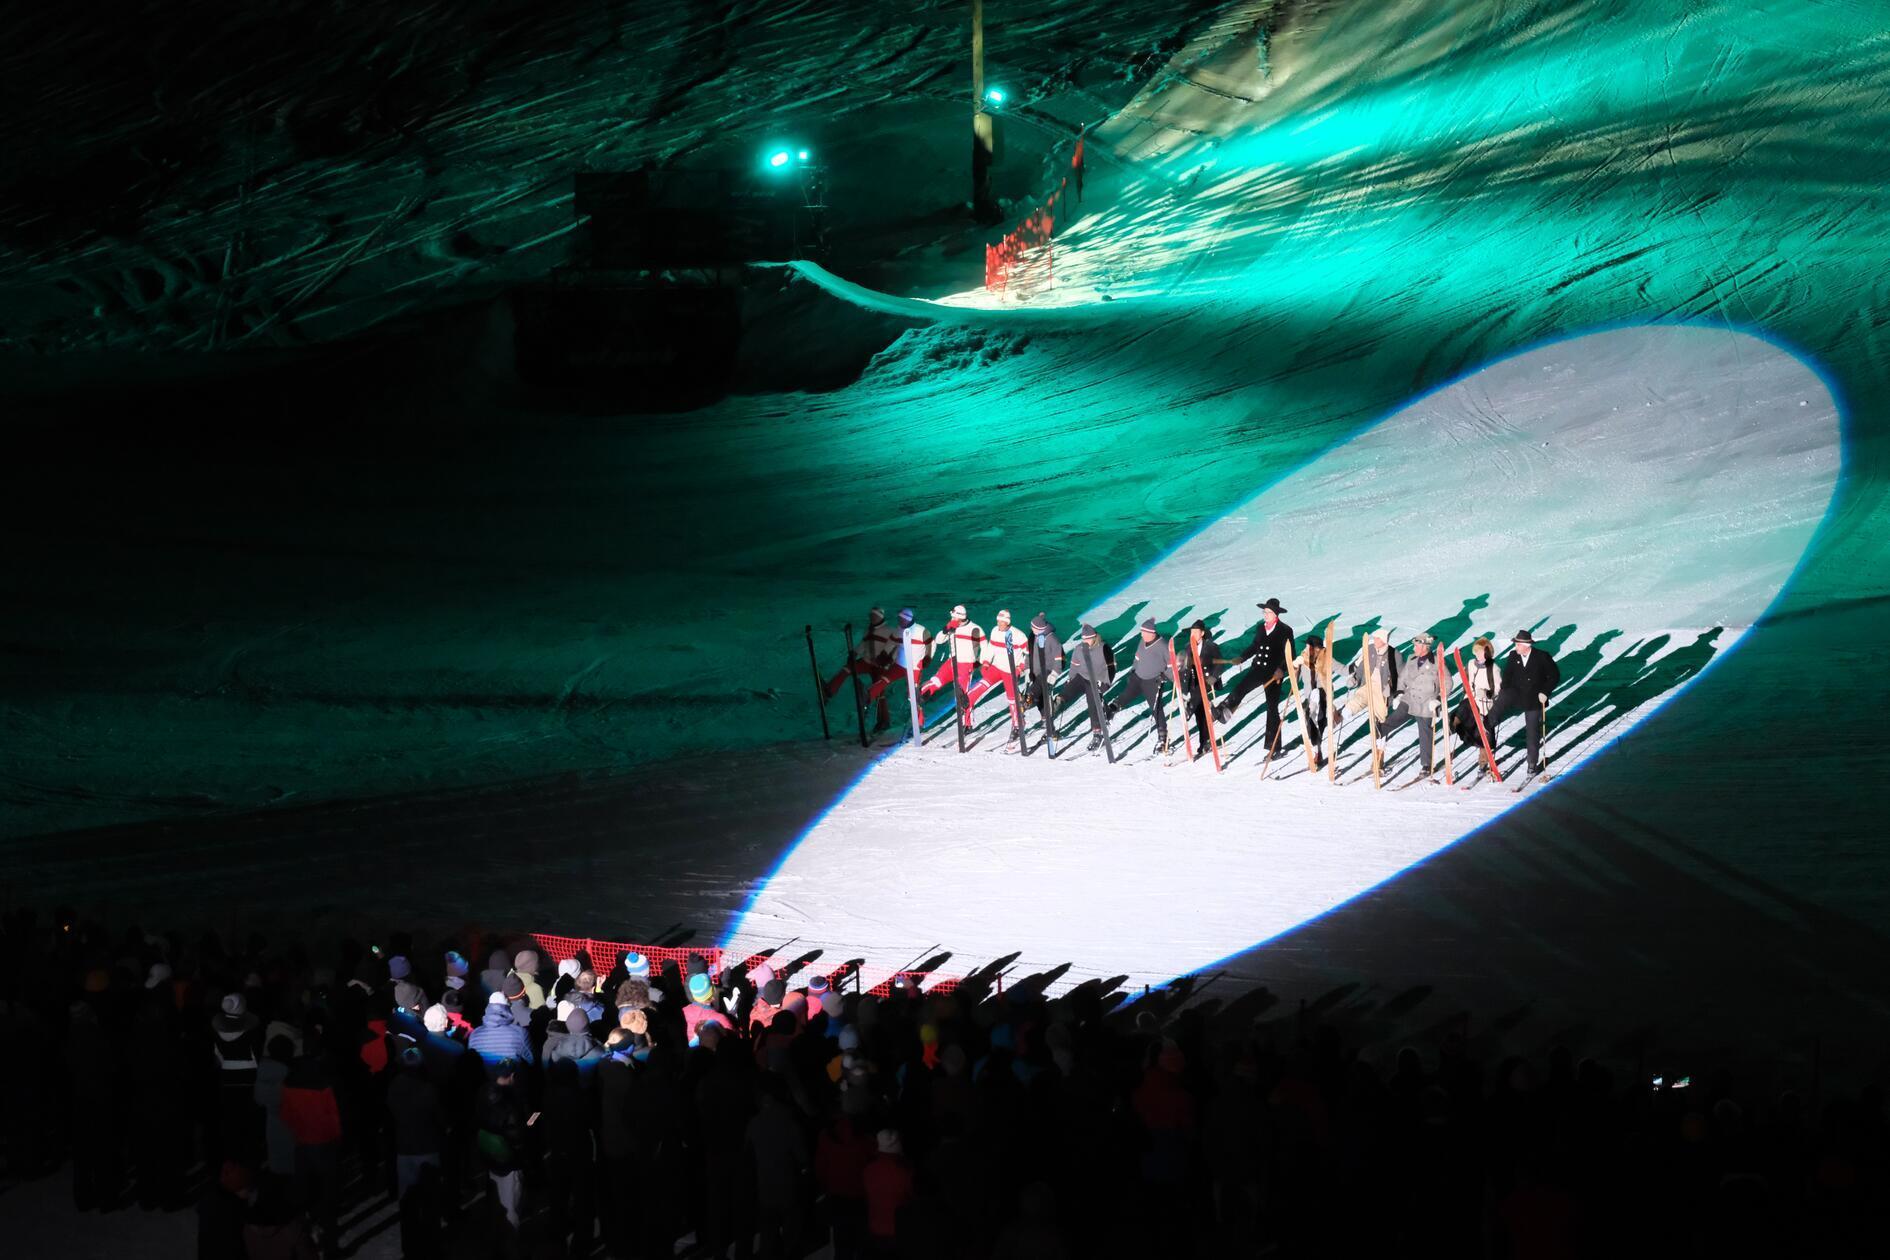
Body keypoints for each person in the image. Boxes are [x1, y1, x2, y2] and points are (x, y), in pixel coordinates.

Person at [1217, 599, 1295, 755]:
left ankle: (1274, 747)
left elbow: (1291, 654)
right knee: (1241, 687)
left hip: (1274, 673)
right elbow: (1255, 646)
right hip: (1259, 668)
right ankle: (1223, 711)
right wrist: (1243, 657)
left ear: (1276, 614)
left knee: (1272, 708)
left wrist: (1282, 669)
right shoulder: (1261, 628)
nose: (1265, 615)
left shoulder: (1285, 630)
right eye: (1264, 612)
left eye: (1268, 612)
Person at [1487, 628, 1561, 774]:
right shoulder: (1513, 655)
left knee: (1532, 731)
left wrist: (1545, 692)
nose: (1516, 647)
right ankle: (1488, 723)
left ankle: (1532, 763)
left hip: (1535, 697)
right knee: (1503, 698)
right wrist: (1503, 689)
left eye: (1518, 644)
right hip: (1517, 693)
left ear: (1527, 645)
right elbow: (1508, 675)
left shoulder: (1542, 656)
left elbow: (1554, 676)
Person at [824, 607, 901, 733]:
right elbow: (863, 645)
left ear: (880, 617)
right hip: (867, 662)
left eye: (874, 615)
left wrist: (890, 660)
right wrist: (854, 653)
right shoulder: (868, 630)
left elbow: (896, 647)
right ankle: (829, 691)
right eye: (871, 615)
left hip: (881, 666)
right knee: (848, 668)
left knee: (879, 691)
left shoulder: (889, 631)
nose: (871, 617)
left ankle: (884, 720)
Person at [1380, 633, 1444, 778]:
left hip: (1427, 702)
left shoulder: (1437, 662)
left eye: (1416, 645)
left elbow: (1447, 682)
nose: (1413, 648)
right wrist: (1399, 693)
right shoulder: (1411, 658)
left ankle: (1426, 765)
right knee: (1396, 717)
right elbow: (1402, 678)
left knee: (1425, 732)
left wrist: (1438, 699)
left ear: (1424, 647)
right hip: (1410, 698)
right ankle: (1379, 731)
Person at [475, 1058, 529, 1231]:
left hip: (489, 1156)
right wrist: (535, 1116)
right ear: (512, 1076)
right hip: (510, 1160)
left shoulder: (483, 1093)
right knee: (511, 1208)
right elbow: (521, 1130)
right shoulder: (513, 1100)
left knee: (496, 1203)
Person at [1108, 618, 1173, 752]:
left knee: (1156, 709)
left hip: (1153, 682)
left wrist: (1166, 677)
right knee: (1125, 696)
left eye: (1144, 632)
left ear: (1151, 633)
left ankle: (1163, 738)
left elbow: (1171, 666)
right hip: (1137, 678)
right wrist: (1133, 671)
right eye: (1141, 632)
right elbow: (1137, 658)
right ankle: (1110, 710)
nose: (1142, 634)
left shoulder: (1163, 646)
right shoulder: (1142, 641)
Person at [966, 608, 1029, 741]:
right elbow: (991, 649)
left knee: (1012, 700)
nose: (999, 624)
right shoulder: (995, 631)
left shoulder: (1019, 635)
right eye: (998, 621)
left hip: (1010, 672)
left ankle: (1017, 725)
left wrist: (1020, 668)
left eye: (1002, 622)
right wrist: (986, 663)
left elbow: (1029, 654)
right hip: (996, 668)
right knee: (977, 689)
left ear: (1008, 622)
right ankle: (967, 718)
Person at [919, 605, 984, 727]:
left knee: (963, 695)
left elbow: (984, 648)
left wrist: (979, 662)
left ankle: (967, 724)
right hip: (952, 661)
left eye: (953, 617)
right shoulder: (952, 627)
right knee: (937, 680)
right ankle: (922, 694)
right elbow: (939, 640)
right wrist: (946, 629)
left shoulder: (975, 629)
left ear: (959, 618)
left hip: (966, 664)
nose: (951, 619)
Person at [863, 608, 929, 725]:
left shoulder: (921, 631)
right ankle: (868, 696)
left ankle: (919, 722)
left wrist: (927, 658)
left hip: (914, 666)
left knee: (913, 694)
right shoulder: (898, 631)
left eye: (901, 619)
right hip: (900, 664)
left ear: (907, 619)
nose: (899, 620)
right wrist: (883, 656)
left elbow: (931, 644)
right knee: (884, 679)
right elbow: (890, 644)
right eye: (899, 618)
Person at [1059, 624, 1115, 751]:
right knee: (1066, 691)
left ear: (1094, 637)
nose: (1085, 641)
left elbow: (1111, 667)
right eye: (1083, 639)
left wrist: (1106, 683)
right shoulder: (1079, 648)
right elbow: (1074, 666)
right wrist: (1070, 679)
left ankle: (1097, 734)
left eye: (1087, 639)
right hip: (1082, 676)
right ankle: (1055, 706)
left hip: (1097, 679)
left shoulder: (1104, 648)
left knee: (1092, 702)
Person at [1451, 636, 1501, 760]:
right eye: (1476, 651)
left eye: (1480, 651)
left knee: (1484, 731)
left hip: (1485, 702)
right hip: (1471, 698)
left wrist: (1487, 693)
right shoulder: (1471, 664)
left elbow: (1498, 688)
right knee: (1463, 707)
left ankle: (1484, 759)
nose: (1477, 654)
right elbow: (1466, 678)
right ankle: (1453, 725)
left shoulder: (1494, 668)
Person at [1176, 620, 1223, 744]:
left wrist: (1213, 678)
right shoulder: (1188, 647)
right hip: (1193, 680)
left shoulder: (1211, 647)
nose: (1193, 635)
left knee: (1198, 694)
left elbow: (1219, 665)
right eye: (1192, 632)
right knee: (1200, 714)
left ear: (1202, 633)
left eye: (1196, 632)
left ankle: (1189, 708)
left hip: (1207, 679)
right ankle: (1205, 742)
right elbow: (1184, 666)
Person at [1294, 634, 1333, 769]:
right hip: (1308, 697)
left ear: (1317, 649)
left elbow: (1342, 669)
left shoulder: (1326, 659)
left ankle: (1317, 753)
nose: (1306, 649)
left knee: (1315, 722)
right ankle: (1317, 751)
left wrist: (1356, 667)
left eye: (1308, 646)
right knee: (1310, 724)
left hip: (1322, 697)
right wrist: (1295, 667)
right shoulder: (1303, 659)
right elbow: (1295, 680)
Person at [1025, 613, 1064, 729]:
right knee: (1040, 698)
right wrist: (1027, 669)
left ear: (1039, 629)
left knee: (1039, 689)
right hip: (1036, 670)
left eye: (1033, 627)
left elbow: (1059, 659)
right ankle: (1044, 716)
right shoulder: (1033, 636)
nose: (1031, 628)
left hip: (1048, 670)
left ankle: (1030, 696)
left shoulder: (1052, 639)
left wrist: (1054, 674)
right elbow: (1028, 654)